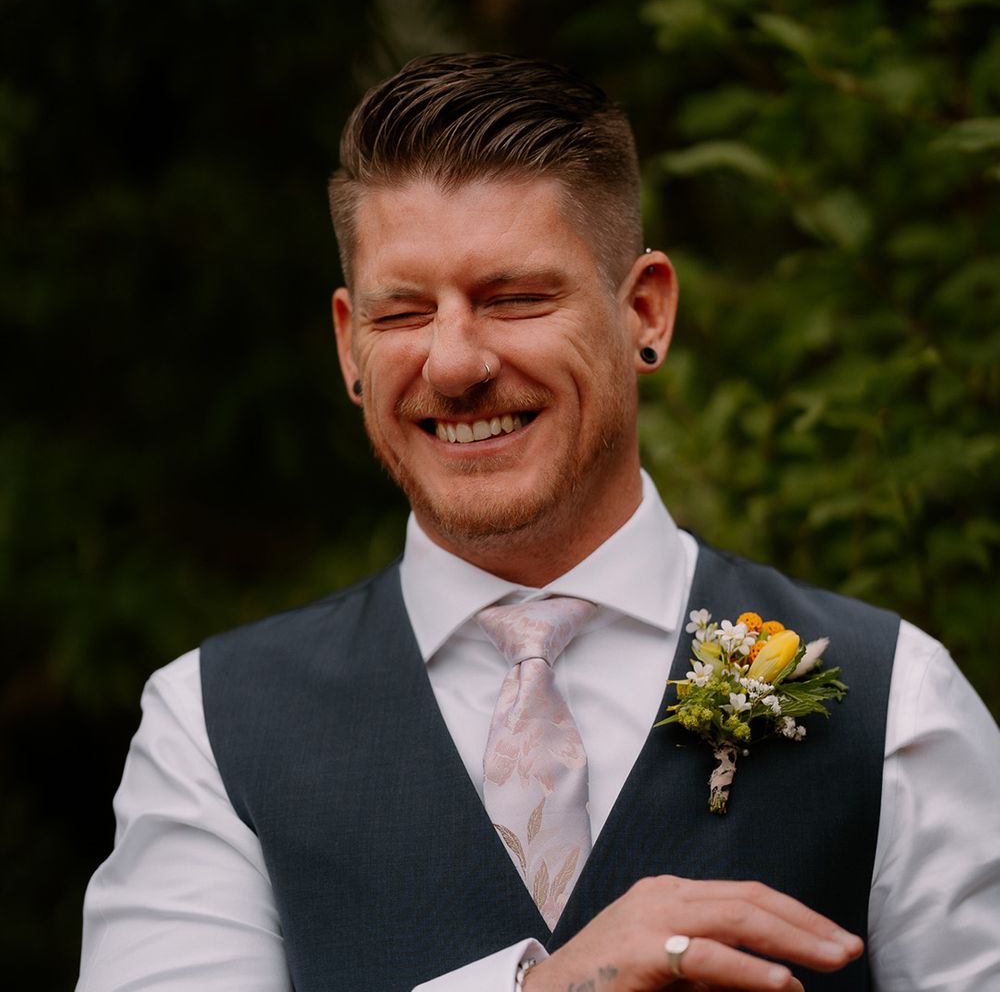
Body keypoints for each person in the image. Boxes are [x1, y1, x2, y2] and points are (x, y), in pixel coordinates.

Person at [77, 53, 1000, 992]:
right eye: (403, 313)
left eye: (513, 299)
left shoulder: (898, 704)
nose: (453, 363)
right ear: (348, 345)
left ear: (645, 311)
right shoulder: (212, 724)